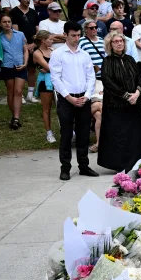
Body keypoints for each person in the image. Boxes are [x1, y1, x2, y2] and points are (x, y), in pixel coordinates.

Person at [49, 21, 98, 180]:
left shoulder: (84, 54)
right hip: (66, 99)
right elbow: (55, 78)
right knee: (66, 134)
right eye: (73, 35)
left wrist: (88, 95)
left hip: (83, 98)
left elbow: (91, 77)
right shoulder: (58, 54)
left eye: (78, 35)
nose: (76, 38)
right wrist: (68, 97)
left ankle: (83, 165)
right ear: (65, 35)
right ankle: (65, 167)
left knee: (84, 134)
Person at [98, 31, 141, 171]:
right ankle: (120, 164)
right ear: (110, 44)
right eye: (116, 41)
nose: (119, 43)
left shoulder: (130, 59)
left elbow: (139, 79)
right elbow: (108, 83)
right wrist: (127, 96)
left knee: (134, 133)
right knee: (119, 135)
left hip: (134, 104)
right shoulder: (107, 61)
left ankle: (137, 160)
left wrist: (137, 93)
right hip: (116, 105)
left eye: (121, 41)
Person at [0, 12, 28, 129]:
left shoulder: (20, 34)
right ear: (0, 24)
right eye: (4, 22)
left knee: (18, 91)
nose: (7, 24)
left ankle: (16, 118)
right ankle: (14, 116)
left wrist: (25, 63)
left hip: (20, 65)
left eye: (9, 21)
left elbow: (25, 50)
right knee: (11, 91)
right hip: (7, 66)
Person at [32, 30, 56, 143]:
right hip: (45, 83)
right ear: (43, 40)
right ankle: (49, 132)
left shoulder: (53, 50)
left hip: (56, 81)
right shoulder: (37, 53)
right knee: (47, 108)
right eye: (50, 39)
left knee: (61, 107)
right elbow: (50, 68)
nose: (52, 41)